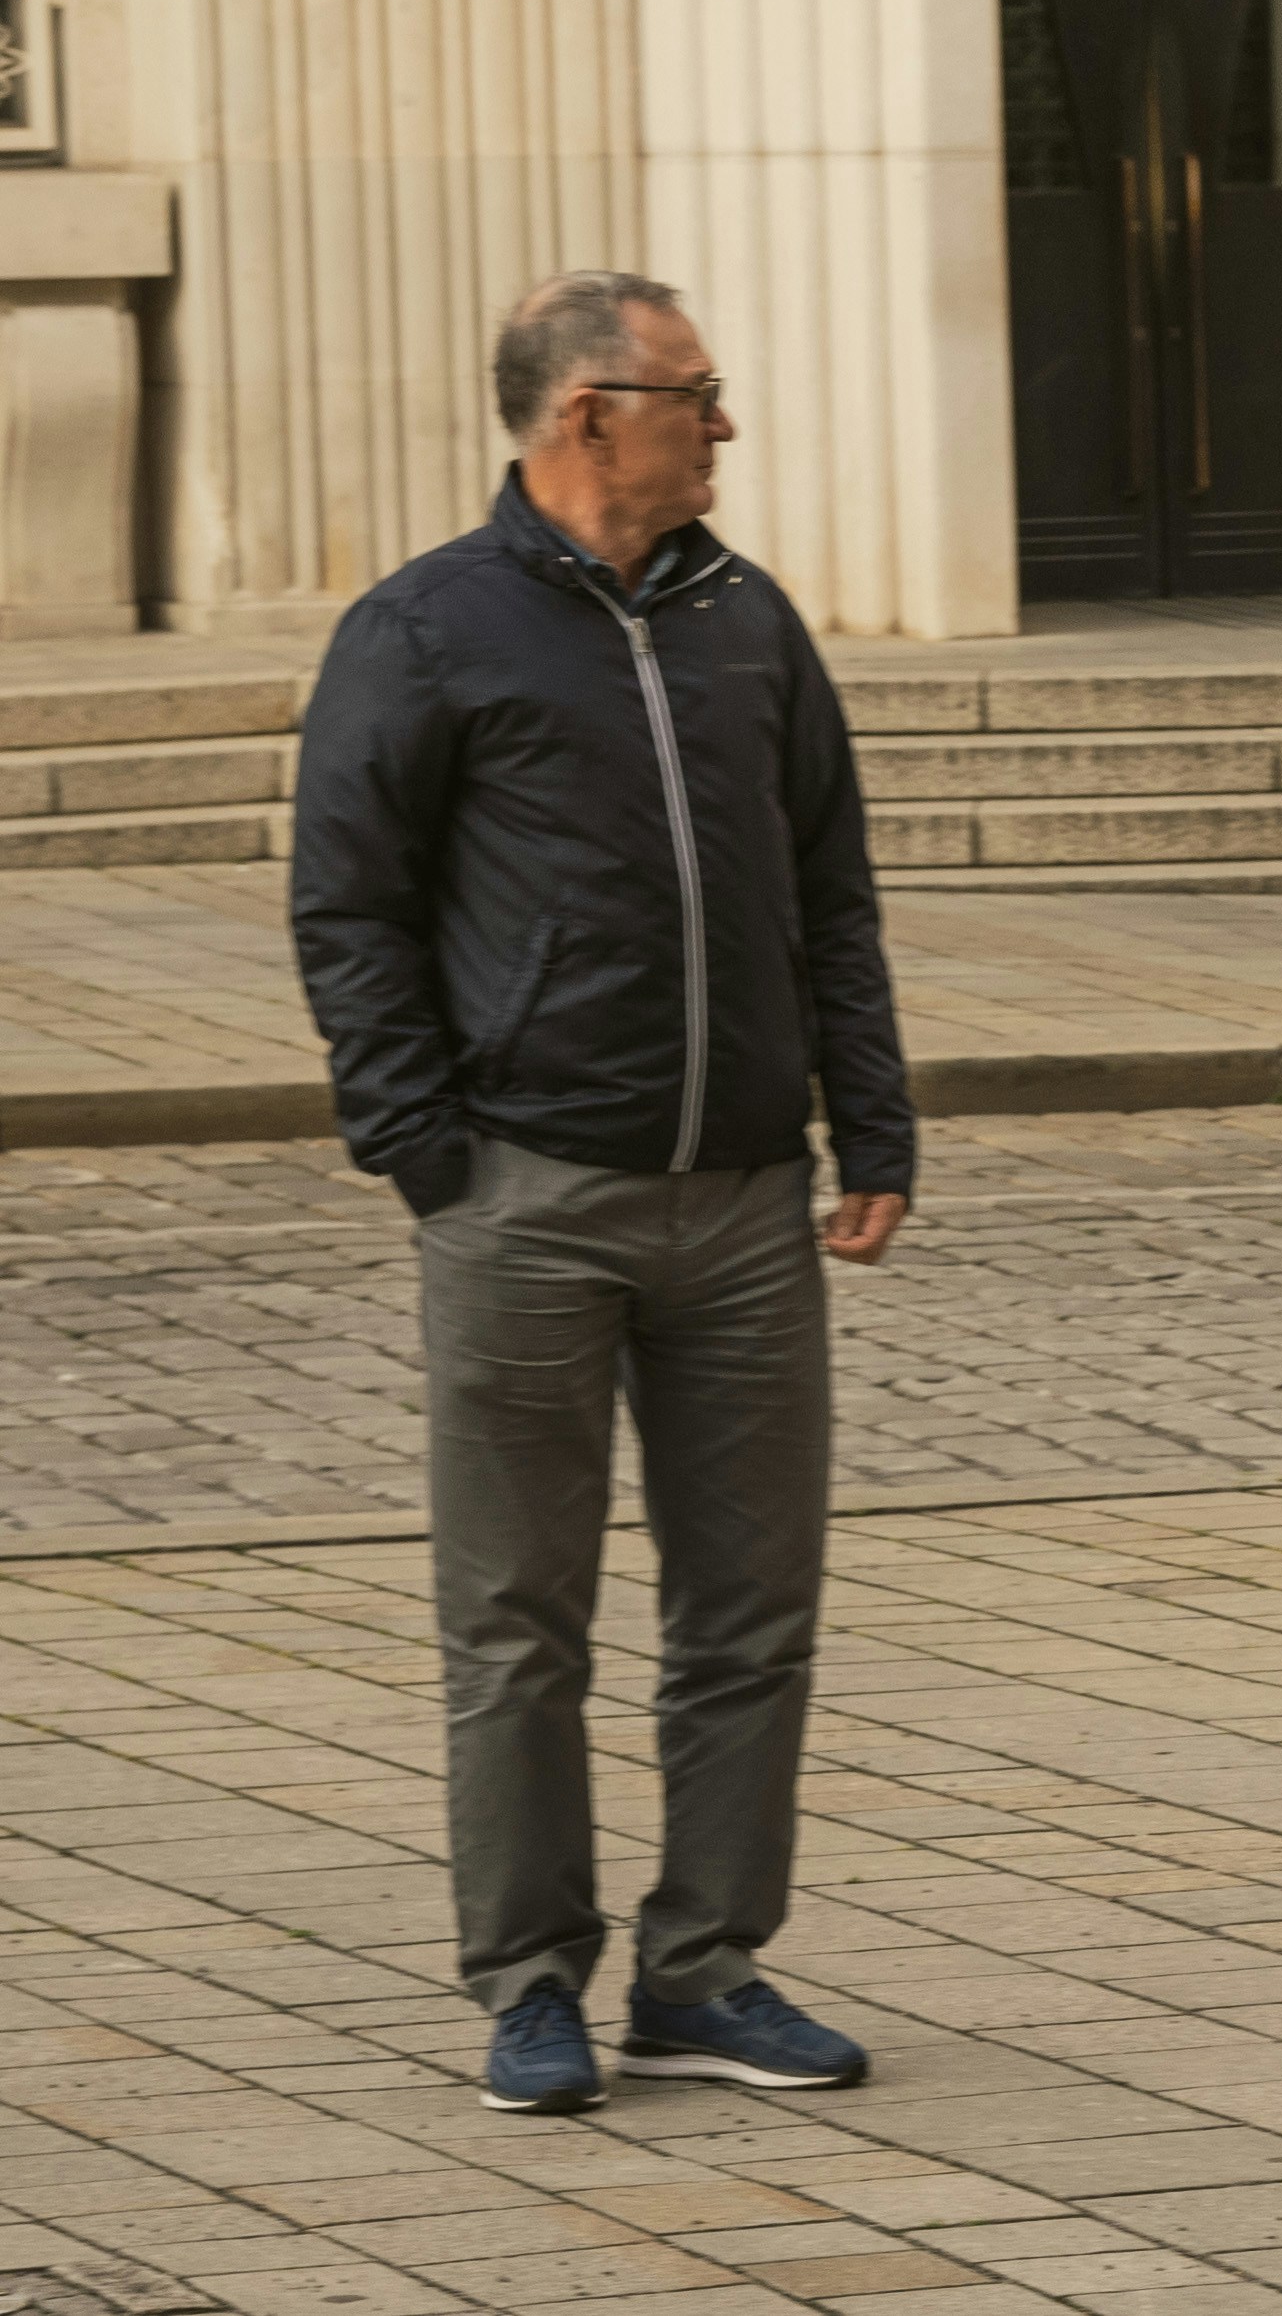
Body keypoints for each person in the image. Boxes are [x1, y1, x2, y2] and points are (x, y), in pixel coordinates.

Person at [289, 272, 914, 2117]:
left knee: (751, 1608)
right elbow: (350, 906)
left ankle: (706, 1968)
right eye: (695, 395)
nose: (722, 424)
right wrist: (424, 1148)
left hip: (741, 1203)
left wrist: (868, 1125)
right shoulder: (426, 628)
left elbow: (833, 889)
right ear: (585, 414)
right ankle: (530, 1980)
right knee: (517, 1616)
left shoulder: (748, 618)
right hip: (527, 1195)